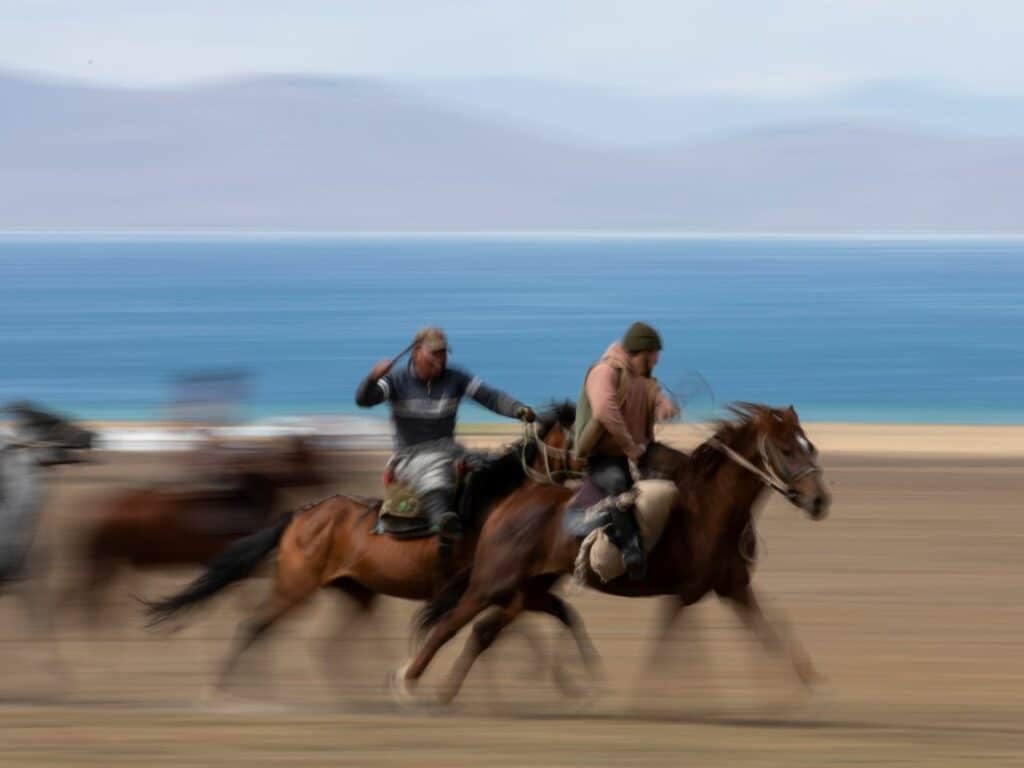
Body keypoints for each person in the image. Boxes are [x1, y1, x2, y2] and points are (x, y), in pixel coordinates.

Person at [355, 326, 535, 569]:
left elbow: (490, 397)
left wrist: (517, 409)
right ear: (417, 353)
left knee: (494, 464)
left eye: (443, 353)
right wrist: (372, 378)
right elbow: (364, 400)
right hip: (411, 456)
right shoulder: (395, 381)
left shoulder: (456, 378)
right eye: (435, 354)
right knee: (436, 469)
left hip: (450, 449)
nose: (441, 359)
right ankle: (443, 524)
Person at [572, 322, 678, 579]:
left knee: (682, 468)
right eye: (653, 357)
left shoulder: (642, 378)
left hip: (640, 451)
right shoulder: (605, 372)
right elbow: (605, 411)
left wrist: (664, 407)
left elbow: (654, 396)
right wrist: (630, 447)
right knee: (619, 486)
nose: (655, 362)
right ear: (640, 352)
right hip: (606, 457)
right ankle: (631, 551)